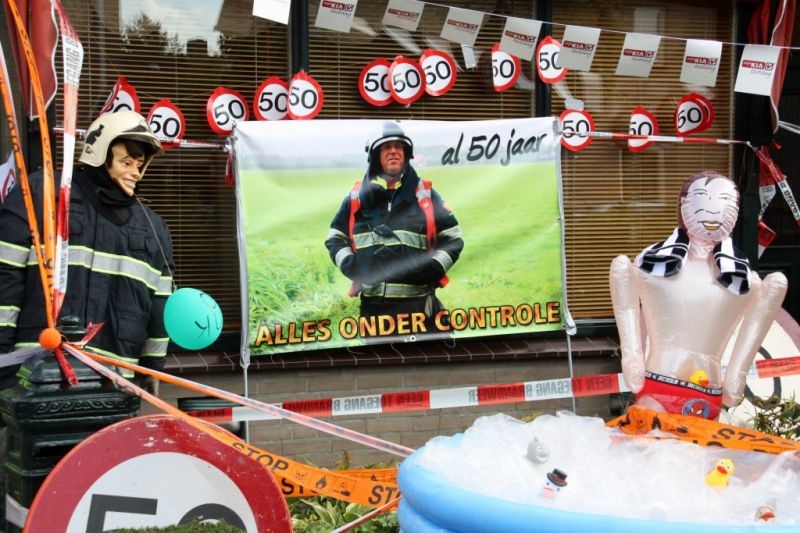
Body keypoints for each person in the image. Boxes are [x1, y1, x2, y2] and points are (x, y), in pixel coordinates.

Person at [0, 110, 174, 394]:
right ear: (99, 154)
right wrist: (3, 360)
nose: (135, 172)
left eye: (140, 164)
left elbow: (160, 305)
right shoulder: (44, 195)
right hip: (37, 376)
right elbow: (6, 277)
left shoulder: (153, 229)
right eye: (126, 162)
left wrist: (152, 370)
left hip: (114, 384)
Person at [609, 170, 787, 420]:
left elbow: (764, 305)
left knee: (685, 445)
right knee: (655, 440)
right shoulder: (657, 261)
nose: (712, 211)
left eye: (723, 201)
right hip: (669, 389)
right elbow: (623, 278)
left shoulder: (740, 275)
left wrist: (736, 374)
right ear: (684, 205)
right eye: (704, 198)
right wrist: (632, 356)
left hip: (692, 390)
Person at [325, 121, 464, 338]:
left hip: (421, 312)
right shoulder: (355, 198)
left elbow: (452, 238)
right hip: (374, 315)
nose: (393, 151)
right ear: (374, 155)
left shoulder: (426, 195)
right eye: (386, 147)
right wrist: (353, 265)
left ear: (406, 154)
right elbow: (335, 237)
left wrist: (433, 267)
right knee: (379, 361)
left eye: (399, 146)